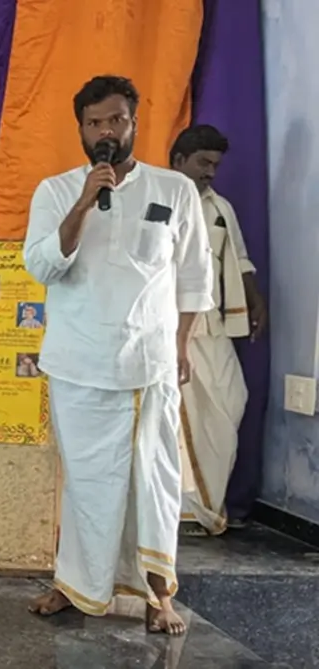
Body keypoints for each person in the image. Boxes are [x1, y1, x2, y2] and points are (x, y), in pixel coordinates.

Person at [23, 75, 213, 636]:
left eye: (118, 121)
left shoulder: (174, 190)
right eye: (96, 122)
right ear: (81, 128)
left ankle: (159, 595)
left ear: (134, 124)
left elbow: (194, 278)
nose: (108, 131)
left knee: (151, 481)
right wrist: (84, 202)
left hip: (149, 365)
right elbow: (41, 267)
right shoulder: (56, 191)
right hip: (78, 363)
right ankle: (74, 583)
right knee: (85, 481)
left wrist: (179, 347)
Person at [169, 124, 267, 536]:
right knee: (178, 416)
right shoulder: (159, 200)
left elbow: (239, 259)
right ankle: (184, 510)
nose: (210, 171)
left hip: (214, 324)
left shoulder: (220, 208)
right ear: (178, 161)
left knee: (233, 399)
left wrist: (256, 299)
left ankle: (207, 503)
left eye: (215, 165)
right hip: (171, 325)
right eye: (203, 162)